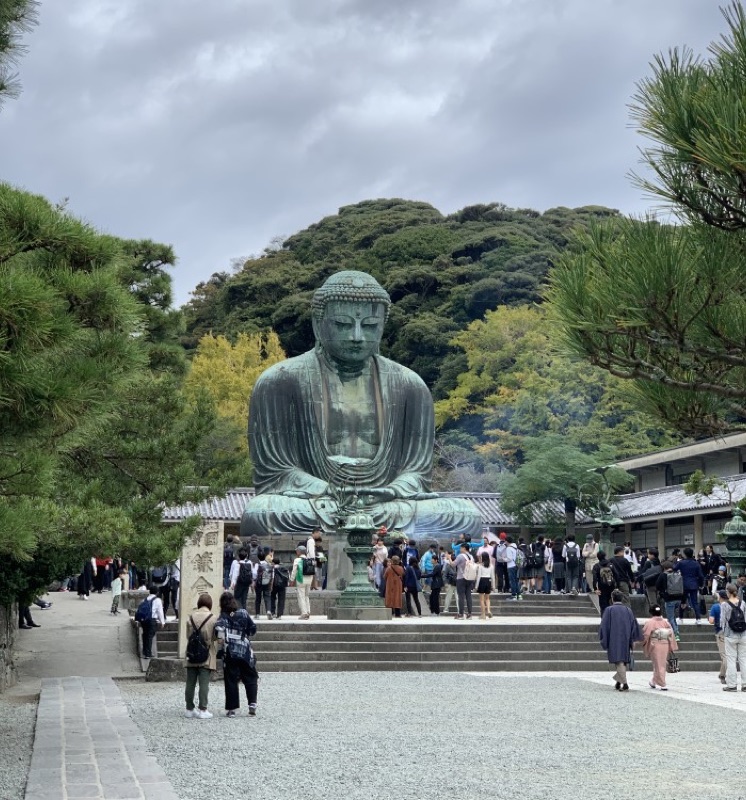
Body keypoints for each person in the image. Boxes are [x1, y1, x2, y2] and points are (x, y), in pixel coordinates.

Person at [239, 270, 482, 538]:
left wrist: (391, 490)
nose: (356, 336)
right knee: (262, 512)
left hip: (386, 504)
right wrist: (327, 489)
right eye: (343, 324)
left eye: (369, 326)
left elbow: (416, 473)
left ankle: (359, 520)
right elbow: (276, 473)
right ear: (318, 324)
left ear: (382, 327)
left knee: (463, 514)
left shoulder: (410, 386)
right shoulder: (280, 381)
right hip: (319, 501)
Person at [215, 593, 259, 717]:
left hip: (230, 651)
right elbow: (253, 629)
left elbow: (218, 630)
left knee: (231, 679)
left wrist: (222, 641)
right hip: (245, 650)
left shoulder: (223, 616)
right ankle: (252, 704)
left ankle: (232, 709)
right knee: (250, 676)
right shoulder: (244, 613)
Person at [599, 589, 642, 691]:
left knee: (619, 661)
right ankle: (618, 682)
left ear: (612, 598)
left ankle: (624, 682)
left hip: (613, 638)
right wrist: (633, 639)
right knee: (622, 661)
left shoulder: (609, 610)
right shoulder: (628, 610)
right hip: (626, 638)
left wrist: (604, 639)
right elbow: (634, 626)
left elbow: (604, 627)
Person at [184, 593, 217, 719]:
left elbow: (188, 636)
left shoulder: (190, 617)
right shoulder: (213, 618)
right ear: (210, 604)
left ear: (198, 603)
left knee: (190, 682)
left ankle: (189, 708)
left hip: (191, 653)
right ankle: (203, 709)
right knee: (204, 683)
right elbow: (216, 637)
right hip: (206, 654)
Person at [641, 605, 678, 690]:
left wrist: (642, 642)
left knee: (659, 664)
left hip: (655, 644)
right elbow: (671, 634)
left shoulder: (650, 622)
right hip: (664, 644)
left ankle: (662, 683)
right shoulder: (665, 622)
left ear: (651, 612)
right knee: (659, 663)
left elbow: (646, 634)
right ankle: (653, 681)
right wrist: (672, 646)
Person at [720, 583, 746, 692]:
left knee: (731, 659)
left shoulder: (725, 605)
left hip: (730, 634)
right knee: (743, 659)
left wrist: (723, 632)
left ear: (727, 592)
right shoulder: (743, 603)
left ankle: (732, 685)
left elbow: (722, 621)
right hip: (743, 633)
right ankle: (745, 684)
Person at [673, 547, 705, 625]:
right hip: (694, 584)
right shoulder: (696, 563)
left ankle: (680, 618)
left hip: (684, 584)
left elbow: (674, 569)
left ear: (684, 554)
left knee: (683, 601)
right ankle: (698, 619)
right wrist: (701, 585)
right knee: (694, 602)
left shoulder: (681, 563)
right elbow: (701, 576)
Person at [655, 561, 685, 641]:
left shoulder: (663, 575)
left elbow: (657, 586)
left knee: (670, 618)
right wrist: (683, 600)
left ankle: (676, 633)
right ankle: (674, 632)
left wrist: (662, 593)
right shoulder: (677, 575)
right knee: (673, 616)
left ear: (664, 567)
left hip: (669, 599)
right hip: (678, 598)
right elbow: (683, 587)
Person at [708, 589, 728, 685]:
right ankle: (722, 674)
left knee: (724, 656)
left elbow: (711, 621)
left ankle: (723, 675)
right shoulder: (732, 606)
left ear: (719, 597)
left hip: (720, 632)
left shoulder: (715, 607)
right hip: (732, 633)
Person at [141, 583, 165, 659]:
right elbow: (160, 611)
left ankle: (145, 651)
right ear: (157, 592)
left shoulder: (145, 599)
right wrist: (162, 622)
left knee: (145, 635)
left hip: (144, 620)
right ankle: (148, 653)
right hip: (152, 620)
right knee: (150, 636)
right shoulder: (157, 600)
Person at [454, 542, 475, 619]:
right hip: (469, 578)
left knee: (461, 596)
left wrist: (449, 558)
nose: (460, 549)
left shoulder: (460, 556)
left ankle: (461, 614)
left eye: (460, 548)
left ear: (463, 548)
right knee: (468, 595)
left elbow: (453, 564)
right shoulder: (471, 557)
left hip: (461, 577)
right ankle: (470, 614)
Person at [290, 545, 312, 620]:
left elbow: (294, 571)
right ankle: (308, 611)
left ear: (299, 552)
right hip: (309, 580)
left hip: (301, 579)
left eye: (297, 551)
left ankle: (304, 613)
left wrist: (291, 580)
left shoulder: (297, 560)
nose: (296, 552)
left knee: (301, 596)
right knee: (306, 596)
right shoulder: (310, 559)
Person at [254, 554, 273, 618]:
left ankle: (257, 614)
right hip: (267, 583)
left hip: (259, 583)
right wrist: (270, 583)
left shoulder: (257, 565)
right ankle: (268, 610)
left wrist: (254, 582)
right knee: (267, 597)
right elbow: (272, 574)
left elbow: (254, 574)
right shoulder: (269, 565)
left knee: (258, 598)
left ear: (258, 558)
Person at [476, 552, 493, 619]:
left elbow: (479, 576)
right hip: (488, 580)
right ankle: (488, 610)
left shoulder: (481, 566)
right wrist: (493, 585)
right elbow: (492, 576)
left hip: (482, 581)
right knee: (487, 598)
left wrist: (476, 586)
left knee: (481, 599)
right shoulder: (491, 565)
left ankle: (483, 614)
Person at [506, 537, 523, 602]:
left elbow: (509, 558)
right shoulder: (515, 547)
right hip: (516, 565)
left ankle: (513, 595)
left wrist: (504, 559)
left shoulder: (509, 548)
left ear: (507, 541)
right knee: (516, 581)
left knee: (512, 581)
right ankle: (519, 595)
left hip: (511, 566)